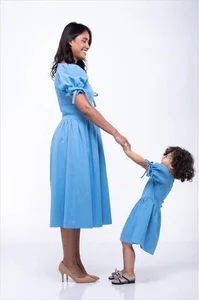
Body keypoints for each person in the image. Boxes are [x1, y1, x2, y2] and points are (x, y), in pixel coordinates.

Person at [50, 22, 129, 283]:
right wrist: (115, 132)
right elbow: (85, 108)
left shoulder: (72, 70)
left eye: (88, 42)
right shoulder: (67, 70)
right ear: (70, 41)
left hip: (80, 136)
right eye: (83, 40)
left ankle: (74, 262)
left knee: (75, 199)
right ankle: (69, 263)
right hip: (73, 135)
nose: (87, 46)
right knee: (70, 199)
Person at [108, 146, 195, 285]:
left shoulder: (164, 172)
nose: (162, 157)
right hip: (146, 208)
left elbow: (144, 163)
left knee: (126, 240)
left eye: (166, 156)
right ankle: (126, 270)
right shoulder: (168, 177)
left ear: (173, 164)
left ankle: (129, 273)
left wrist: (128, 151)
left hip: (145, 209)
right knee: (126, 240)